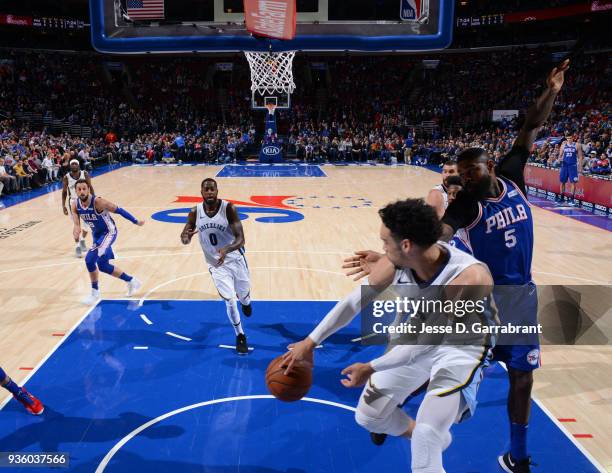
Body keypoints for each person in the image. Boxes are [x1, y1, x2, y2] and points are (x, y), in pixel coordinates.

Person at [340, 60, 569, 473]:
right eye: (461, 174)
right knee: (437, 360)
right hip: (478, 300)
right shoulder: (466, 205)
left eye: (471, 171)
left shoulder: (514, 175)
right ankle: (391, 408)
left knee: (522, 377)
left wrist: (550, 92)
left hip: (520, 300)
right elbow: (438, 237)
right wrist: (396, 254)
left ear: (490, 167)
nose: (465, 179)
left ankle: (517, 457)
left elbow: (530, 128)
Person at [283, 199, 494, 473]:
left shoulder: (469, 279)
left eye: (385, 242)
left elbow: (422, 347)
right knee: (369, 416)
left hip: (462, 350)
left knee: (427, 436)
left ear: (406, 245)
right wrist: (310, 342)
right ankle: (431, 437)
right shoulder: (398, 261)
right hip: (419, 333)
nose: (381, 249)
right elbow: (353, 302)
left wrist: (370, 367)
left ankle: (430, 437)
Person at [180, 178, 252, 355]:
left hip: (235, 259)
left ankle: (247, 302)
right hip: (216, 265)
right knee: (229, 301)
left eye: (212, 189)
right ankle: (240, 335)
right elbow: (185, 236)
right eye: (206, 190)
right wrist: (185, 236)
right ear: (201, 192)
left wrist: (227, 249)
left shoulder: (229, 209)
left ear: (217, 191)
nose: (210, 192)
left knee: (243, 295)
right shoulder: (194, 212)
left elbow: (241, 239)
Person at [71, 179, 143, 305]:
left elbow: (119, 210)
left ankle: (95, 293)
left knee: (89, 260)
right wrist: (76, 227)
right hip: (97, 235)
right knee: (103, 266)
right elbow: (76, 221)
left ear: (88, 189)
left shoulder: (98, 202)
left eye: (84, 189)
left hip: (109, 232)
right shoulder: (74, 204)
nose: (82, 191)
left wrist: (135, 221)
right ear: (76, 191)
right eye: (79, 189)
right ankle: (132, 281)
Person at [63, 159, 93, 258]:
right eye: (72, 164)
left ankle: (83, 240)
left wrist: (94, 200)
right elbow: (64, 192)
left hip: (85, 201)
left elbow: (90, 187)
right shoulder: (66, 177)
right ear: (70, 166)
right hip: (73, 202)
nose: (74, 165)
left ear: (79, 165)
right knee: (76, 226)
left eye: (76, 164)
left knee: (87, 225)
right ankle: (77, 247)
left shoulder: (85, 174)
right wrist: (63, 206)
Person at [557, 134, 583, 205]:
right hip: (564, 166)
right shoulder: (563, 145)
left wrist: (580, 167)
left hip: (573, 166)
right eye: (568, 138)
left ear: (573, 138)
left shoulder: (577, 145)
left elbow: (580, 157)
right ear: (566, 138)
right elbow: (560, 155)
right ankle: (562, 198)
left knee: (573, 182)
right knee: (562, 182)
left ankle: (572, 199)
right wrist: (559, 160)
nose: (569, 139)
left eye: (570, 138)